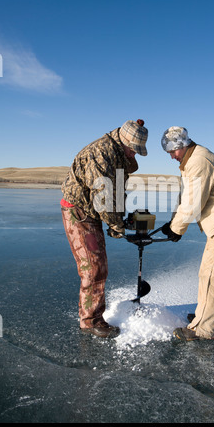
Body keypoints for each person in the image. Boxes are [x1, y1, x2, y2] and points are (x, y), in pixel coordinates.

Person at [61, 119, 148, 338]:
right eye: (133, 150)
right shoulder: (100, 153)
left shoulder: (118, 153)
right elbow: (103, 196)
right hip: (79, 212)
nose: (134, 155)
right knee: (94, 267)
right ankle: (90, 321)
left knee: (99, 266)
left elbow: (117, 191)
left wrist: (118, 219)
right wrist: (115, 224)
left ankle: (91, 315)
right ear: (124, 142)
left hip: (92, 211)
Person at [160, 126, 214, 341]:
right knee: (210, 273)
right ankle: (208, 314)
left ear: (181, 146)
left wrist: (175, 229)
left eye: (172, 151)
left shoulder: (199, 162)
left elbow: (192, 202)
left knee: (211, 275)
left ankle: (204, 328)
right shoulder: (193, 159)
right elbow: (188, 197)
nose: (171, 156)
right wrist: (174, 222)